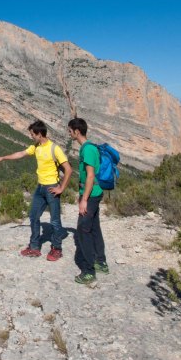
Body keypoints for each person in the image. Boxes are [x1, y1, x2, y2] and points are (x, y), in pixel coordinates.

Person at [0, 120, 71, 260]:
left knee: (54, 220)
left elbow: (68, 169)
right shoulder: (36, 147)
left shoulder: (54, 148)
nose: (31, 137)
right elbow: (21, 154)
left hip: (52, 188)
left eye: (32, 134)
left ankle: (57, 248)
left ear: (39, 134)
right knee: (34, 216)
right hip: (40, 188)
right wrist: (3, 158)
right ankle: (34, 247)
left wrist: (61, 188)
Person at [67, 117, 108, 284]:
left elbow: (90, 176)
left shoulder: (88, 150)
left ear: (77, 132)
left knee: (83, 229)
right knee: (94, 228)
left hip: (90, 195)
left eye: (70, 131)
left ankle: (89, 272)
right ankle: (101, 262)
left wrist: (84, 199)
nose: (69, 134)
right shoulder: (89, 147)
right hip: (94, 193)